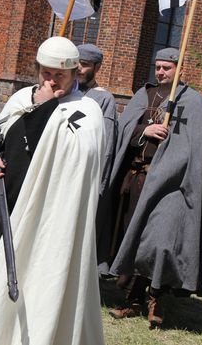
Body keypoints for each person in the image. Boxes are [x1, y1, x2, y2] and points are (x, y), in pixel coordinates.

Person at [0, 36, 105, 345]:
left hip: (51, 218)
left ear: (74, 74)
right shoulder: (21, 98)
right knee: (0, 278)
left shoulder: (86, 110)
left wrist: (45, 108)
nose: (51, 81)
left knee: (39, 283)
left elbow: (79, 158)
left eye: (59, 76)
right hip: (10, 206)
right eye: (46, 73)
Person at [107, 47, 202, 328]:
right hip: (138, 180)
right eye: (158, 67)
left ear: (180, 69)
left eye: (167, 68)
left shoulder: (194, 103)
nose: (161, 72)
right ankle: (133, 299)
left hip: (172, 186)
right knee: (135, 240)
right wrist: (144, 131)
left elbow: (198, 149)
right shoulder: (144, 95)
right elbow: (123, 129)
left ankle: (156, 298)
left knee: (159, 242)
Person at [76, 44, 118, 275]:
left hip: (85, 177)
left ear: (97, 67)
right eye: (77, 63)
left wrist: (98, 184)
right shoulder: (62, 92)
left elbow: (106, 146)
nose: (79, 69)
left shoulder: (103, 99)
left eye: (85, 65)